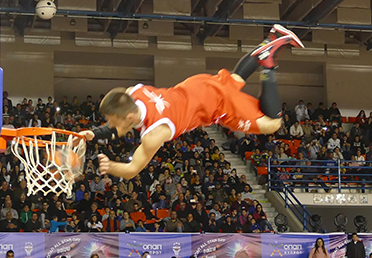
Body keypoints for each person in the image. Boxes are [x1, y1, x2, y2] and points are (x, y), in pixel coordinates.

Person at [84, 25, 303, 179]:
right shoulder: (134, 92)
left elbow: (132, 170)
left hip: (215, 105)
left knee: (273, 124)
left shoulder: (154, 133)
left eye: (113, 121)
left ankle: (268, 64)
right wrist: (95, 133)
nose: (111, 126)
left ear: (129, 116)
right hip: (197, 85)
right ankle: (272, 39)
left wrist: (110, 166)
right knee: (235, 79)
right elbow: (118, 118)